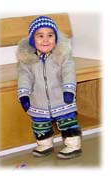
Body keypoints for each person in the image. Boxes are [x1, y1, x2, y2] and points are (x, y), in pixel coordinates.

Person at [17, 15, 82, 159]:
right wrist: (24, 95)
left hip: (61, 99)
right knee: (40, 124)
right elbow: (24, 77)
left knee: (68, 122)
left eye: (50, 35)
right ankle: (45, 144)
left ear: (56, 38)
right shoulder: (27, 60)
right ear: (32, 40)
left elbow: (68, 73)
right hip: (38, 100)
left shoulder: (62, 57)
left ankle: (73, 145)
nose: (46, 40)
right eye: (40, 36)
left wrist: (69, 90)